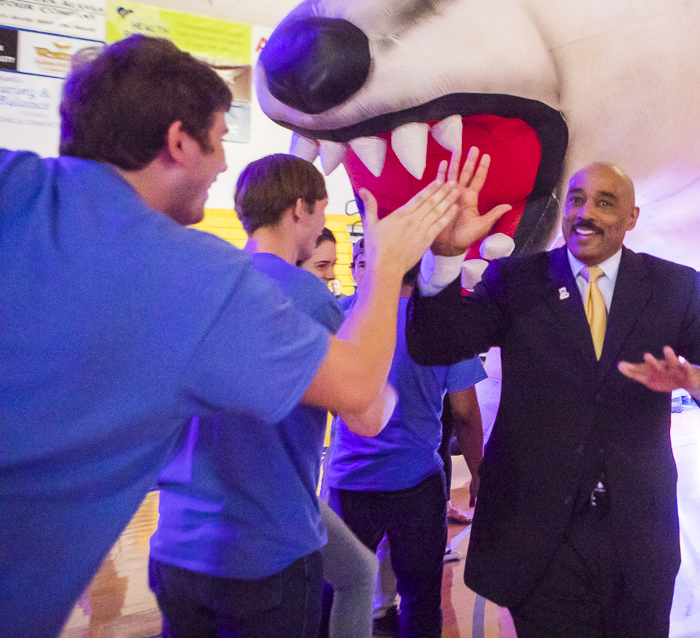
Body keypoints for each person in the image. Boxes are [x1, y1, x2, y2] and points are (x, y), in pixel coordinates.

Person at [0, 35, 459, 637]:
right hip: (263, 553)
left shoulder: (16, 183)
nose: (222, 163)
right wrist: (391, 262)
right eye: (218, 140)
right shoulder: (200, 279)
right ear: (179, 142)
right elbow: (361, 396)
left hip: (180, 544)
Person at [407, 154, 700, 638]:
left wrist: (694, 380)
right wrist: (447, 257)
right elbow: (436, 345)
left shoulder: (672, 287)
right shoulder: (515, 280)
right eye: (576, 199)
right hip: (537, 541)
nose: (586, 213)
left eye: (605, 201)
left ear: (631, 217)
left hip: (636, 539)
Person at [148, 154, 393, 637]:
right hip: (264, 550)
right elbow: (367, 416)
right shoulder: (307, 298)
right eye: (322, 211)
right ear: (300, 208)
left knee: (356, 571)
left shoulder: (201, 282)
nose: (322, 224)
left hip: (178, 546)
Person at [325, 264, 486, 638]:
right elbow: (464, 415)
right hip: (416, 483)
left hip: (350, 481)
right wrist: (478, 473)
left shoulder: (341, 314)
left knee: (339, 594)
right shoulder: (444, 328)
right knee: (420, 597)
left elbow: (327, 398)